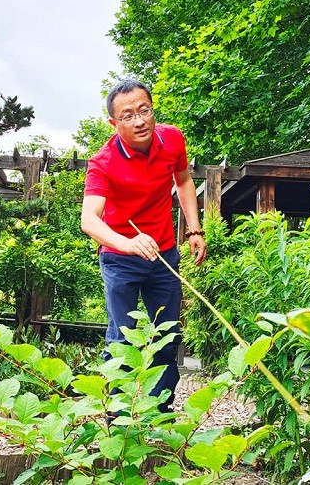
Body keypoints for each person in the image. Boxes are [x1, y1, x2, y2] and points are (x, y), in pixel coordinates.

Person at [81, 79, 207, 412]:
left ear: (153, 110)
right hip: (120, 257)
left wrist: (194, 229)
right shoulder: (103, 162)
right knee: (122, 337)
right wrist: (129, 243)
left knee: (165, 337)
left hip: (164, 253)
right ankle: (119, 416)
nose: (139, 121)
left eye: (144, 110)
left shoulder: (172, 139)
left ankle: (158, 414)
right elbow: (89, 220)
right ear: (114, 123)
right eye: (127, 115)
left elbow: (183, 181)